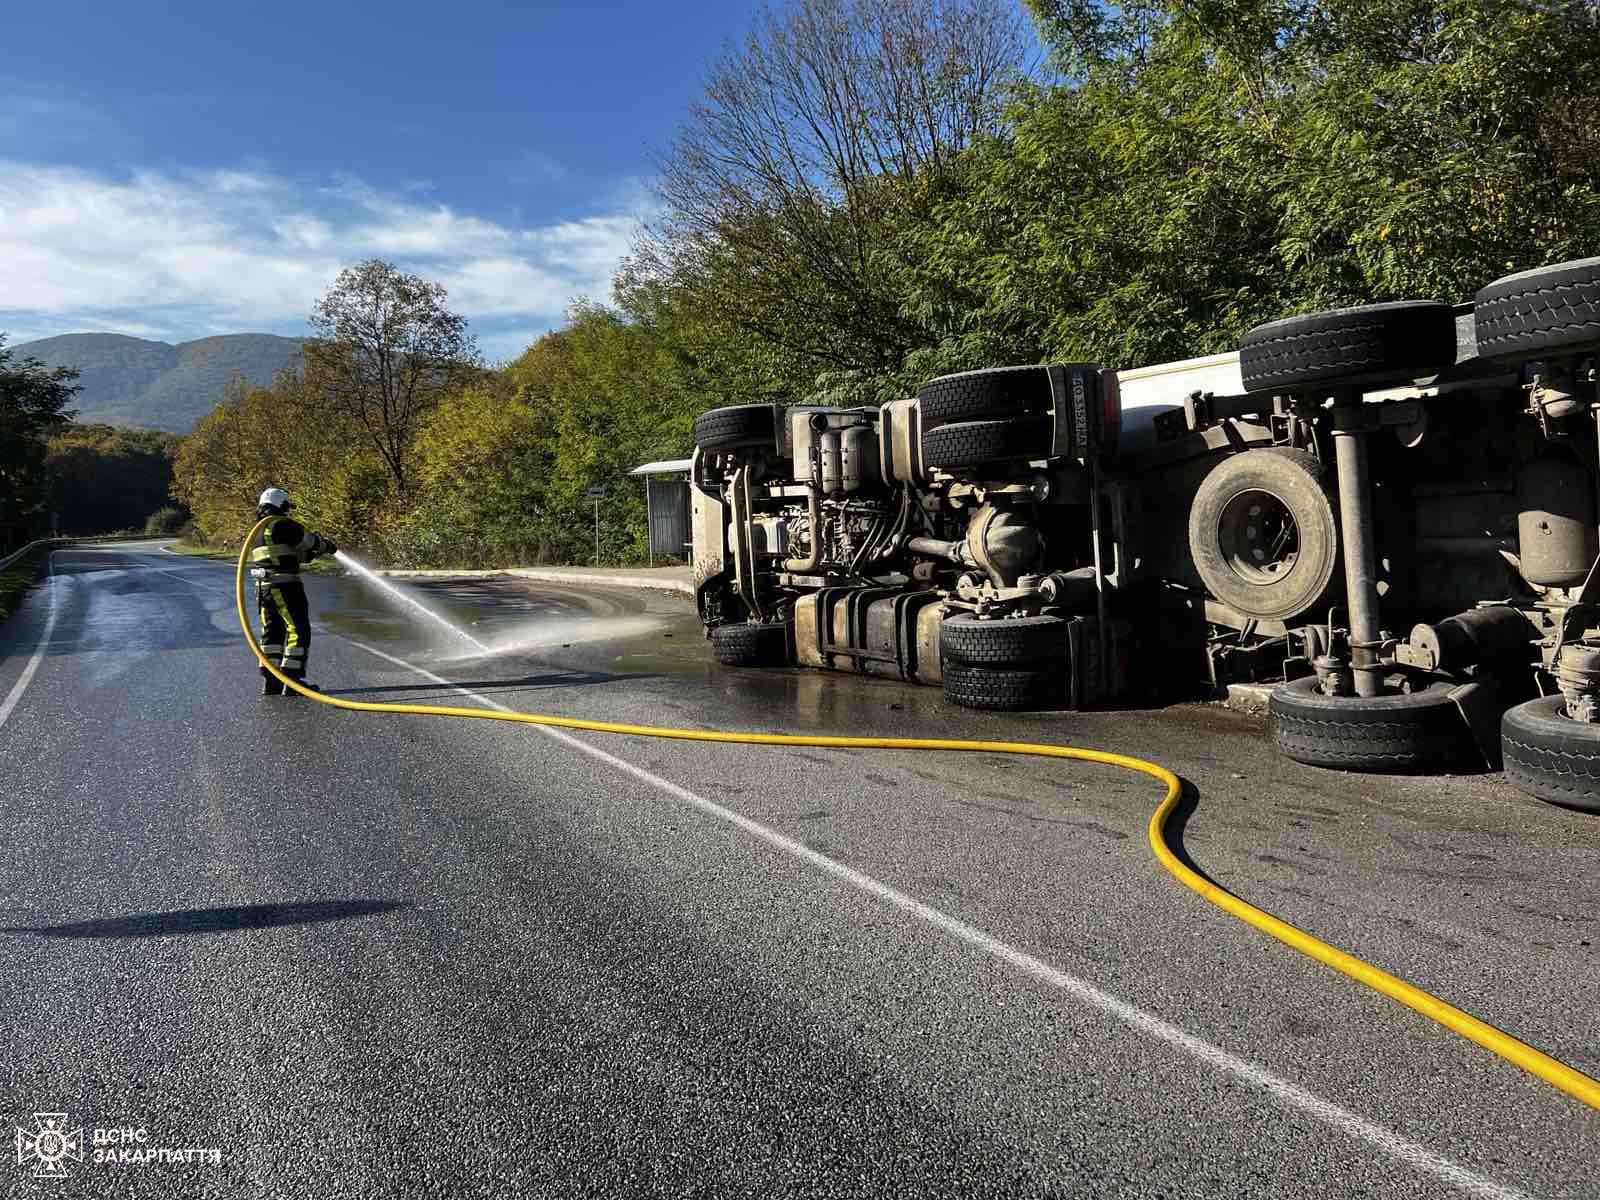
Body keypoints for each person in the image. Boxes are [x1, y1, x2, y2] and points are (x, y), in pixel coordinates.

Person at [250, 487, 336, 697]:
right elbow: (309, 541)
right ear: (281, 505)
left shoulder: (258, 531)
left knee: (272, 633)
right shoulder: (283, 524)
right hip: (286, 586)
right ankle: (293, 680)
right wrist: (326, 546)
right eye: (287, 507)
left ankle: (272, 682)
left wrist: (309, 555)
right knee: (299, 630)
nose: (288, 511)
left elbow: (292, 554)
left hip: (264, 590)